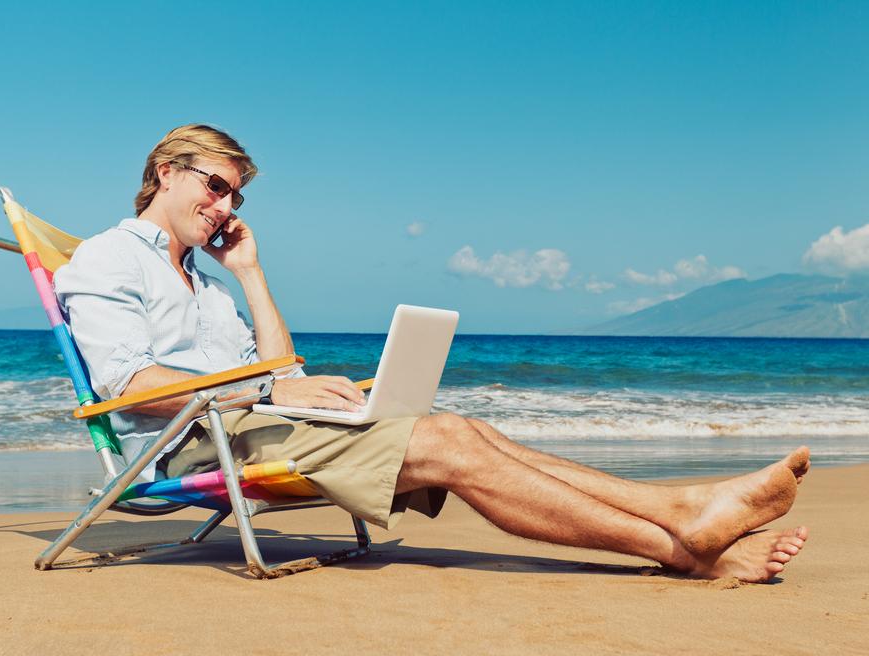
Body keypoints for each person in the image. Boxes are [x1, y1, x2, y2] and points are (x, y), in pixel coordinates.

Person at [54, 124, 809, 583]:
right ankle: (686, 545)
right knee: (445, 441)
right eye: (215, 188)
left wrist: (250, 275)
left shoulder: (206, 282)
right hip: (196, 450)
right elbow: (134, 386)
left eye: (236, 198)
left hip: (248, 422)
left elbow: (277, 368)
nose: (224, 208)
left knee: (457, 426)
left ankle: (686, 514)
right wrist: (265, 396)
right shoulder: (106, 259)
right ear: (165, 171)